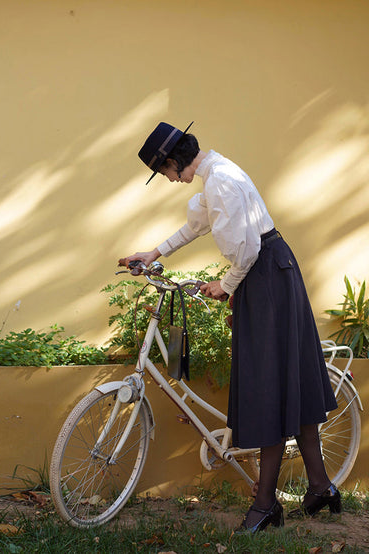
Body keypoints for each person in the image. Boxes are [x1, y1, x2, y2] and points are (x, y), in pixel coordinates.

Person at [120, 121, 341, 532]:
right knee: (281, 379)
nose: (169, 180)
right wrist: (153, 252)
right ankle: (320, 487)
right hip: (273, 272)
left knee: (269, 385)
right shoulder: (216, 173)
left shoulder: (219, 180)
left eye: (164, 172)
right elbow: (197, 225)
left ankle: (265, 505)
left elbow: (248, 249)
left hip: (265, 275)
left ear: (172, 161)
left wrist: (225, 286)